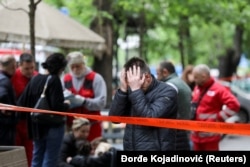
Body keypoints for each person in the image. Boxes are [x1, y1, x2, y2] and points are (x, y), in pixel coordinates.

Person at [109, 57, 178, 151]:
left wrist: (136, 90)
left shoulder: (168, 91)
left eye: (135, 82)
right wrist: (123, 90)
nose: (131, 86)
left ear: (147, 78)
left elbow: (150, 118)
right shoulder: (131, 90)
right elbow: (114, 118)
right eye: (129, 82)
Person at [17, 53, 70, 167]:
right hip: (52, 127)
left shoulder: (35, 79)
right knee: (50, 159)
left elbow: (22, 103)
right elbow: (57, 107)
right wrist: (66, 104)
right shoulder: (54, 80)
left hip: (35, 126)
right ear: (60, 68)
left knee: (36, 157)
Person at [191, 64, 240, 151]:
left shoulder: (218, 89)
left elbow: (234, 105)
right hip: (196, 136)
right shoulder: (197, 88)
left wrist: (218, 117)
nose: (194, 80)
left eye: (196, 77)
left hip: (210, 137)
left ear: (204, 76)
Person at [63, 51, 107, 142]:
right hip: (72, 129)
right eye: (72, 67)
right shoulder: (65, 79)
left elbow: (102, 102)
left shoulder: (96, 78)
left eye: (77, 66)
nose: (75, 69)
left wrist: (84, 101)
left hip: (92, 127)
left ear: (83, 64)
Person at [156, 61, 192, 150]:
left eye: (158, 73)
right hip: (183, 130)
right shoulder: (181, 82)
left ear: (165, 72)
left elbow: (161, 110)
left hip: (175, 133)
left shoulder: (169, 85)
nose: (157, 77)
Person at [11, 53, 38, 167]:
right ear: (19, 66)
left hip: (31, 122)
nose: (30, 71)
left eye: (32, 68)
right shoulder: (13, 77)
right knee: (15, 151)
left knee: (30, 152)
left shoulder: (37, 77)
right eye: (26, 68)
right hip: (16, 122)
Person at [0, 55, 17, 146]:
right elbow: (2, 95)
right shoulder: (4, 81)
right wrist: (6, 111)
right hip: (4, 127)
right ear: (14, 66)